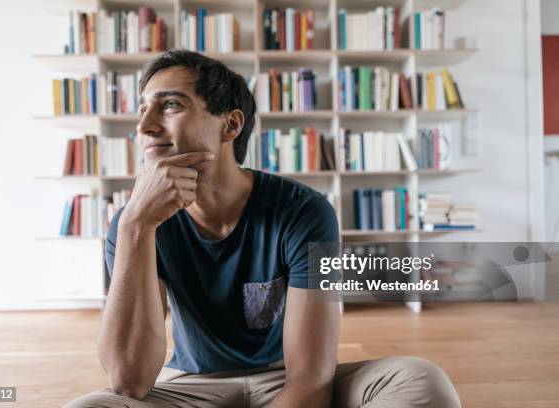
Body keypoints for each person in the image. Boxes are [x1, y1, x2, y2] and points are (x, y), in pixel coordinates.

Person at [64, 50, 461, 408]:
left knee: (422, 381)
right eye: (141, 110)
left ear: (230, 125)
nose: (145, 127)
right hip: (192, 386)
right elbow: (128, 381)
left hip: (285, 377)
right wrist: (136, 225)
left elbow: (311, 381)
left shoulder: (304, 211)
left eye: (169, 106)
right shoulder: (135, 223)